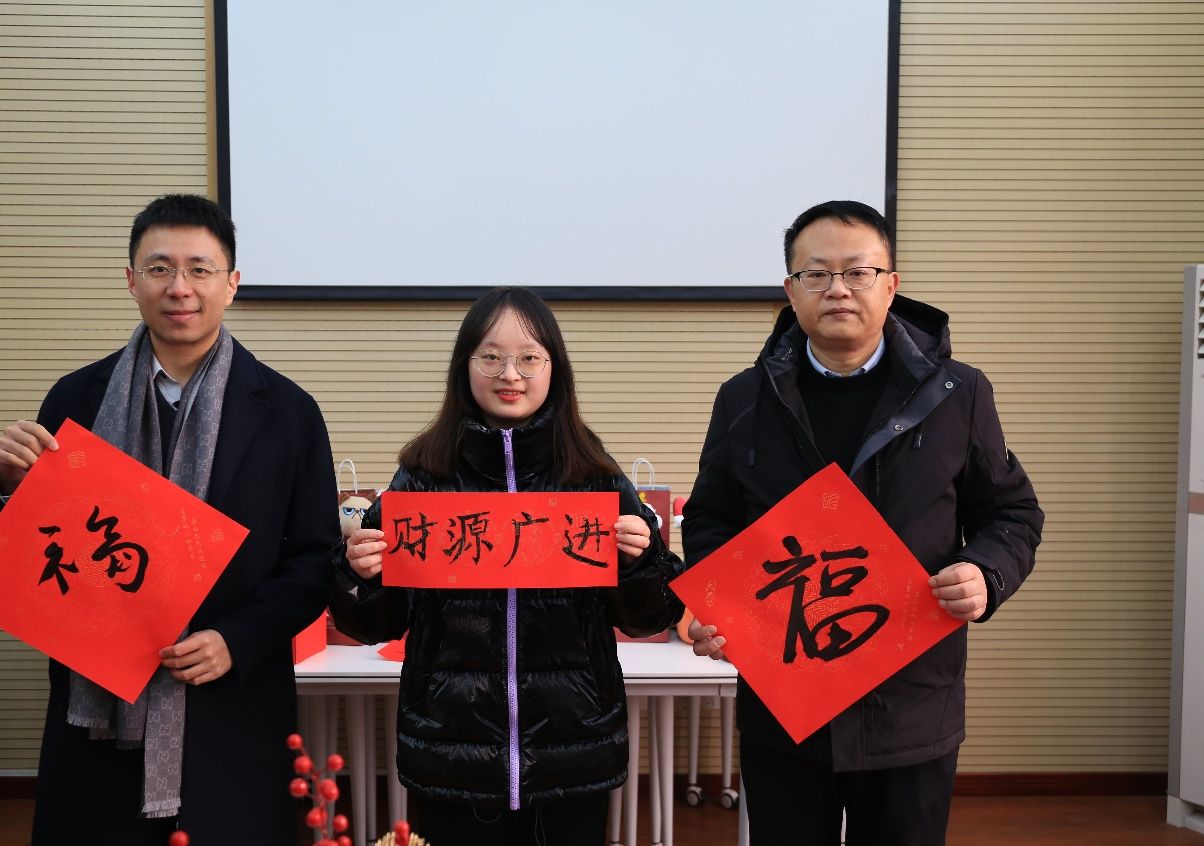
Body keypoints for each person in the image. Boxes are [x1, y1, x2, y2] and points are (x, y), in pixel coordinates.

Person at [682, 200, 1044, 845]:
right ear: (791, 290)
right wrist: (721, 606)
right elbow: (711, 518)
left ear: (892, 284)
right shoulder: (743, 398)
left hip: (910, 703)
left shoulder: (959, 394)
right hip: (786, 703)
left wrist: (986, 573)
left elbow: (1011, 512)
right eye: (817, 274)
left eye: (858, 272)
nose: (838, 289)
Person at [0, 194, 339, 845]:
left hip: (231, 703)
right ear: (131, 279)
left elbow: (315, 560)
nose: (180, 287)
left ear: (232, 283)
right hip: (97, 708)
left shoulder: (288, 411)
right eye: (160, 268)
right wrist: (13, 489)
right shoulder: (76, 399)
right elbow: (30, 554)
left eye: (200, 269)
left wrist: (235, 638)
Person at [329, 286, 685, 846]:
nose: (510, 374)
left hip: (573, 750)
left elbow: (650, 617)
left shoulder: (594, 475)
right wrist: (359, 574)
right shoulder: (422, 477)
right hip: (451, 753)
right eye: (490, 356)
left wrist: (641, 563)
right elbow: (372, 624)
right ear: (464, 366)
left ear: (554, 369)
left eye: (529, 358)